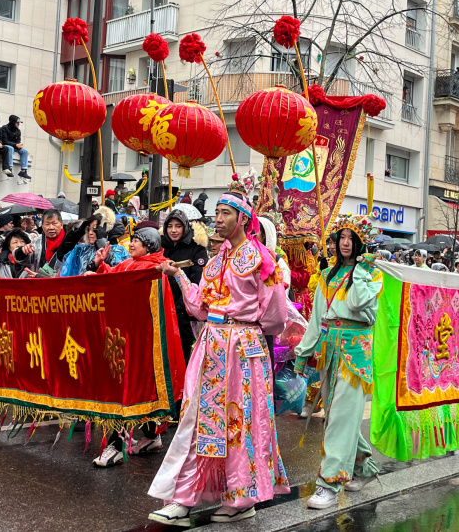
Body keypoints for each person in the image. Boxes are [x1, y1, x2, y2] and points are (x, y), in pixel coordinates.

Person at [149, 180, 289, 526]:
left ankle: (241, 497)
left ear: (243, 218)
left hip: (242, 348)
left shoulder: (260, 258)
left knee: (239, 424)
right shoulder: (217, 260)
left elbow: (276, 314)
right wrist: (178, 278)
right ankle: (183, 497)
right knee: (197, 420)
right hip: (212, 344)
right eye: (217, 213)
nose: (218, 220)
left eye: (225, 213)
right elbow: (199, 305)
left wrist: (246, 329)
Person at [295, 216, 383, 508]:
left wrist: (360, 271)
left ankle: (329, 484)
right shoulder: (327, 275)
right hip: (329, 349)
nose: (345, 243)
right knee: (336, 416)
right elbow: (317, 317)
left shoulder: (371, 274)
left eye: (351, 238)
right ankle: (363, 467)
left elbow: (359, 303)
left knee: (341, 418)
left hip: (355, 352)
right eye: (341, 237)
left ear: (360, 242)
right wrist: (304, 352)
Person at [85, 223, 186, 466]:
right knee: (138, 389)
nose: (131, 244)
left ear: (149, 245)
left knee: (132, 391)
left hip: (142, 342)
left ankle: (115, 446)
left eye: (137, 240)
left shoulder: (154, 269)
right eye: (132, 240)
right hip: (125, 337)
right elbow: (115, 277)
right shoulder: (133, 264)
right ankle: (152, 437)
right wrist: (98, 267)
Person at [161, 209, 209, 363]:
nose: (173, 230)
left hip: (185, 314)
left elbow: (197, 280)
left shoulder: (197, 249)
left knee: (184, 356)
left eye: (178, 226)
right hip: (162, 310)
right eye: (170, 226)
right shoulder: (161, 247)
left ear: (185, 227)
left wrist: (180, 307)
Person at [1, 115, 31, 179]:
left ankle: (23, 171)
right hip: (6, 146)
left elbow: (18, 141)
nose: (18, 124)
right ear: (13, 122)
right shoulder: (4, 128)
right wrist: (15, 145)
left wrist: (19, 145)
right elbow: (5, 141)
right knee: (10, 148)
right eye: (17, 123)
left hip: (15, 147)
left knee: (24, 151)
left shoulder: (18, 131)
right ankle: (10, 168)